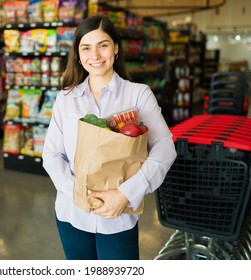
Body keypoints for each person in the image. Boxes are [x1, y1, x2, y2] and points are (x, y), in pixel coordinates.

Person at [42, 15, 177, 260]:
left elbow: (165, 147)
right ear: (78, 54)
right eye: (86, 48)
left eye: (102, 45)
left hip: (119, 216)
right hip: (72, 213)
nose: (95, 55)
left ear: (115, 48)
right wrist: (76, 193)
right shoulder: (66, 98)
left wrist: (126, 193)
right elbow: (51, 154)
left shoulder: (138, 95)